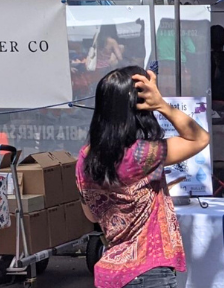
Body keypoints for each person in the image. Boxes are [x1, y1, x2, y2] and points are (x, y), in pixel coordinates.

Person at [76, 66, 209, 288]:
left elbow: (90, 215)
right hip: (148, 271)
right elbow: (199, 138)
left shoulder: (84, 159)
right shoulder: (141, 154)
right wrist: (162, 105)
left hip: (109, 274)